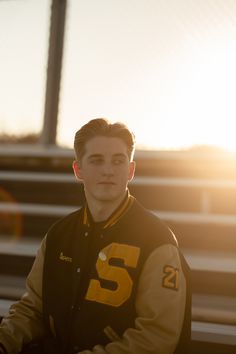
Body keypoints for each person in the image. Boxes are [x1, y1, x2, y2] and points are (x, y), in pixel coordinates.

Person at [0, 118, 191, 354]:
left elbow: (156, 337)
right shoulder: (59, 234)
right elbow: (33, 309)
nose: (108, 170)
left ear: (130, 170)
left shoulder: (157, 240)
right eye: (97, 160)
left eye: (118, 161)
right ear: (78, 170)